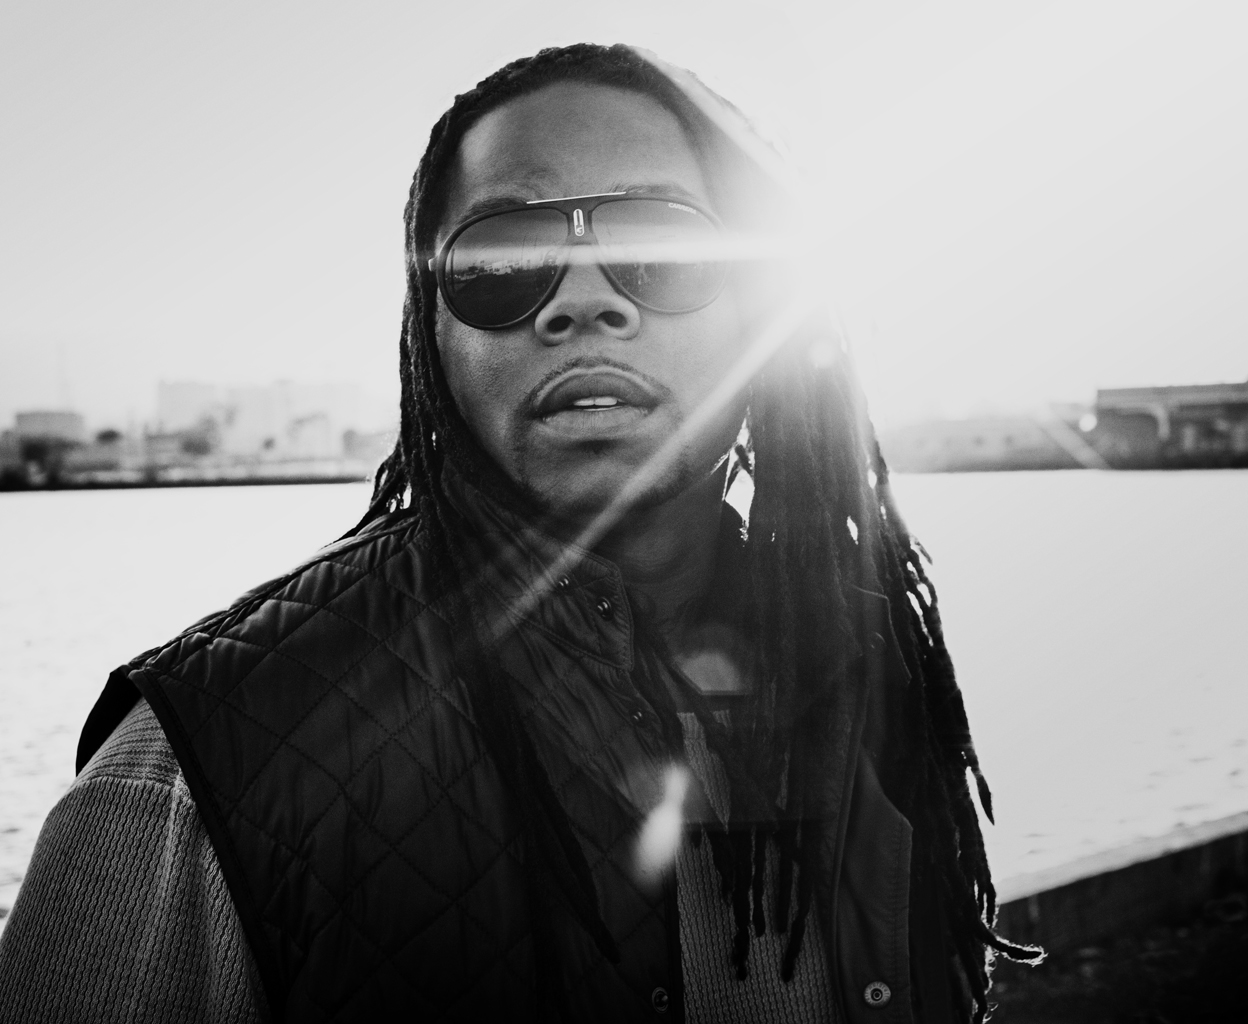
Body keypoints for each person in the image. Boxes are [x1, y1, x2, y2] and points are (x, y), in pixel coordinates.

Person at [0, 43, 1038, 1023]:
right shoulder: (195, 771)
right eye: (503, 260)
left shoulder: (869, 660)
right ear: (431, 335)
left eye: (661, 247)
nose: (582, 300)